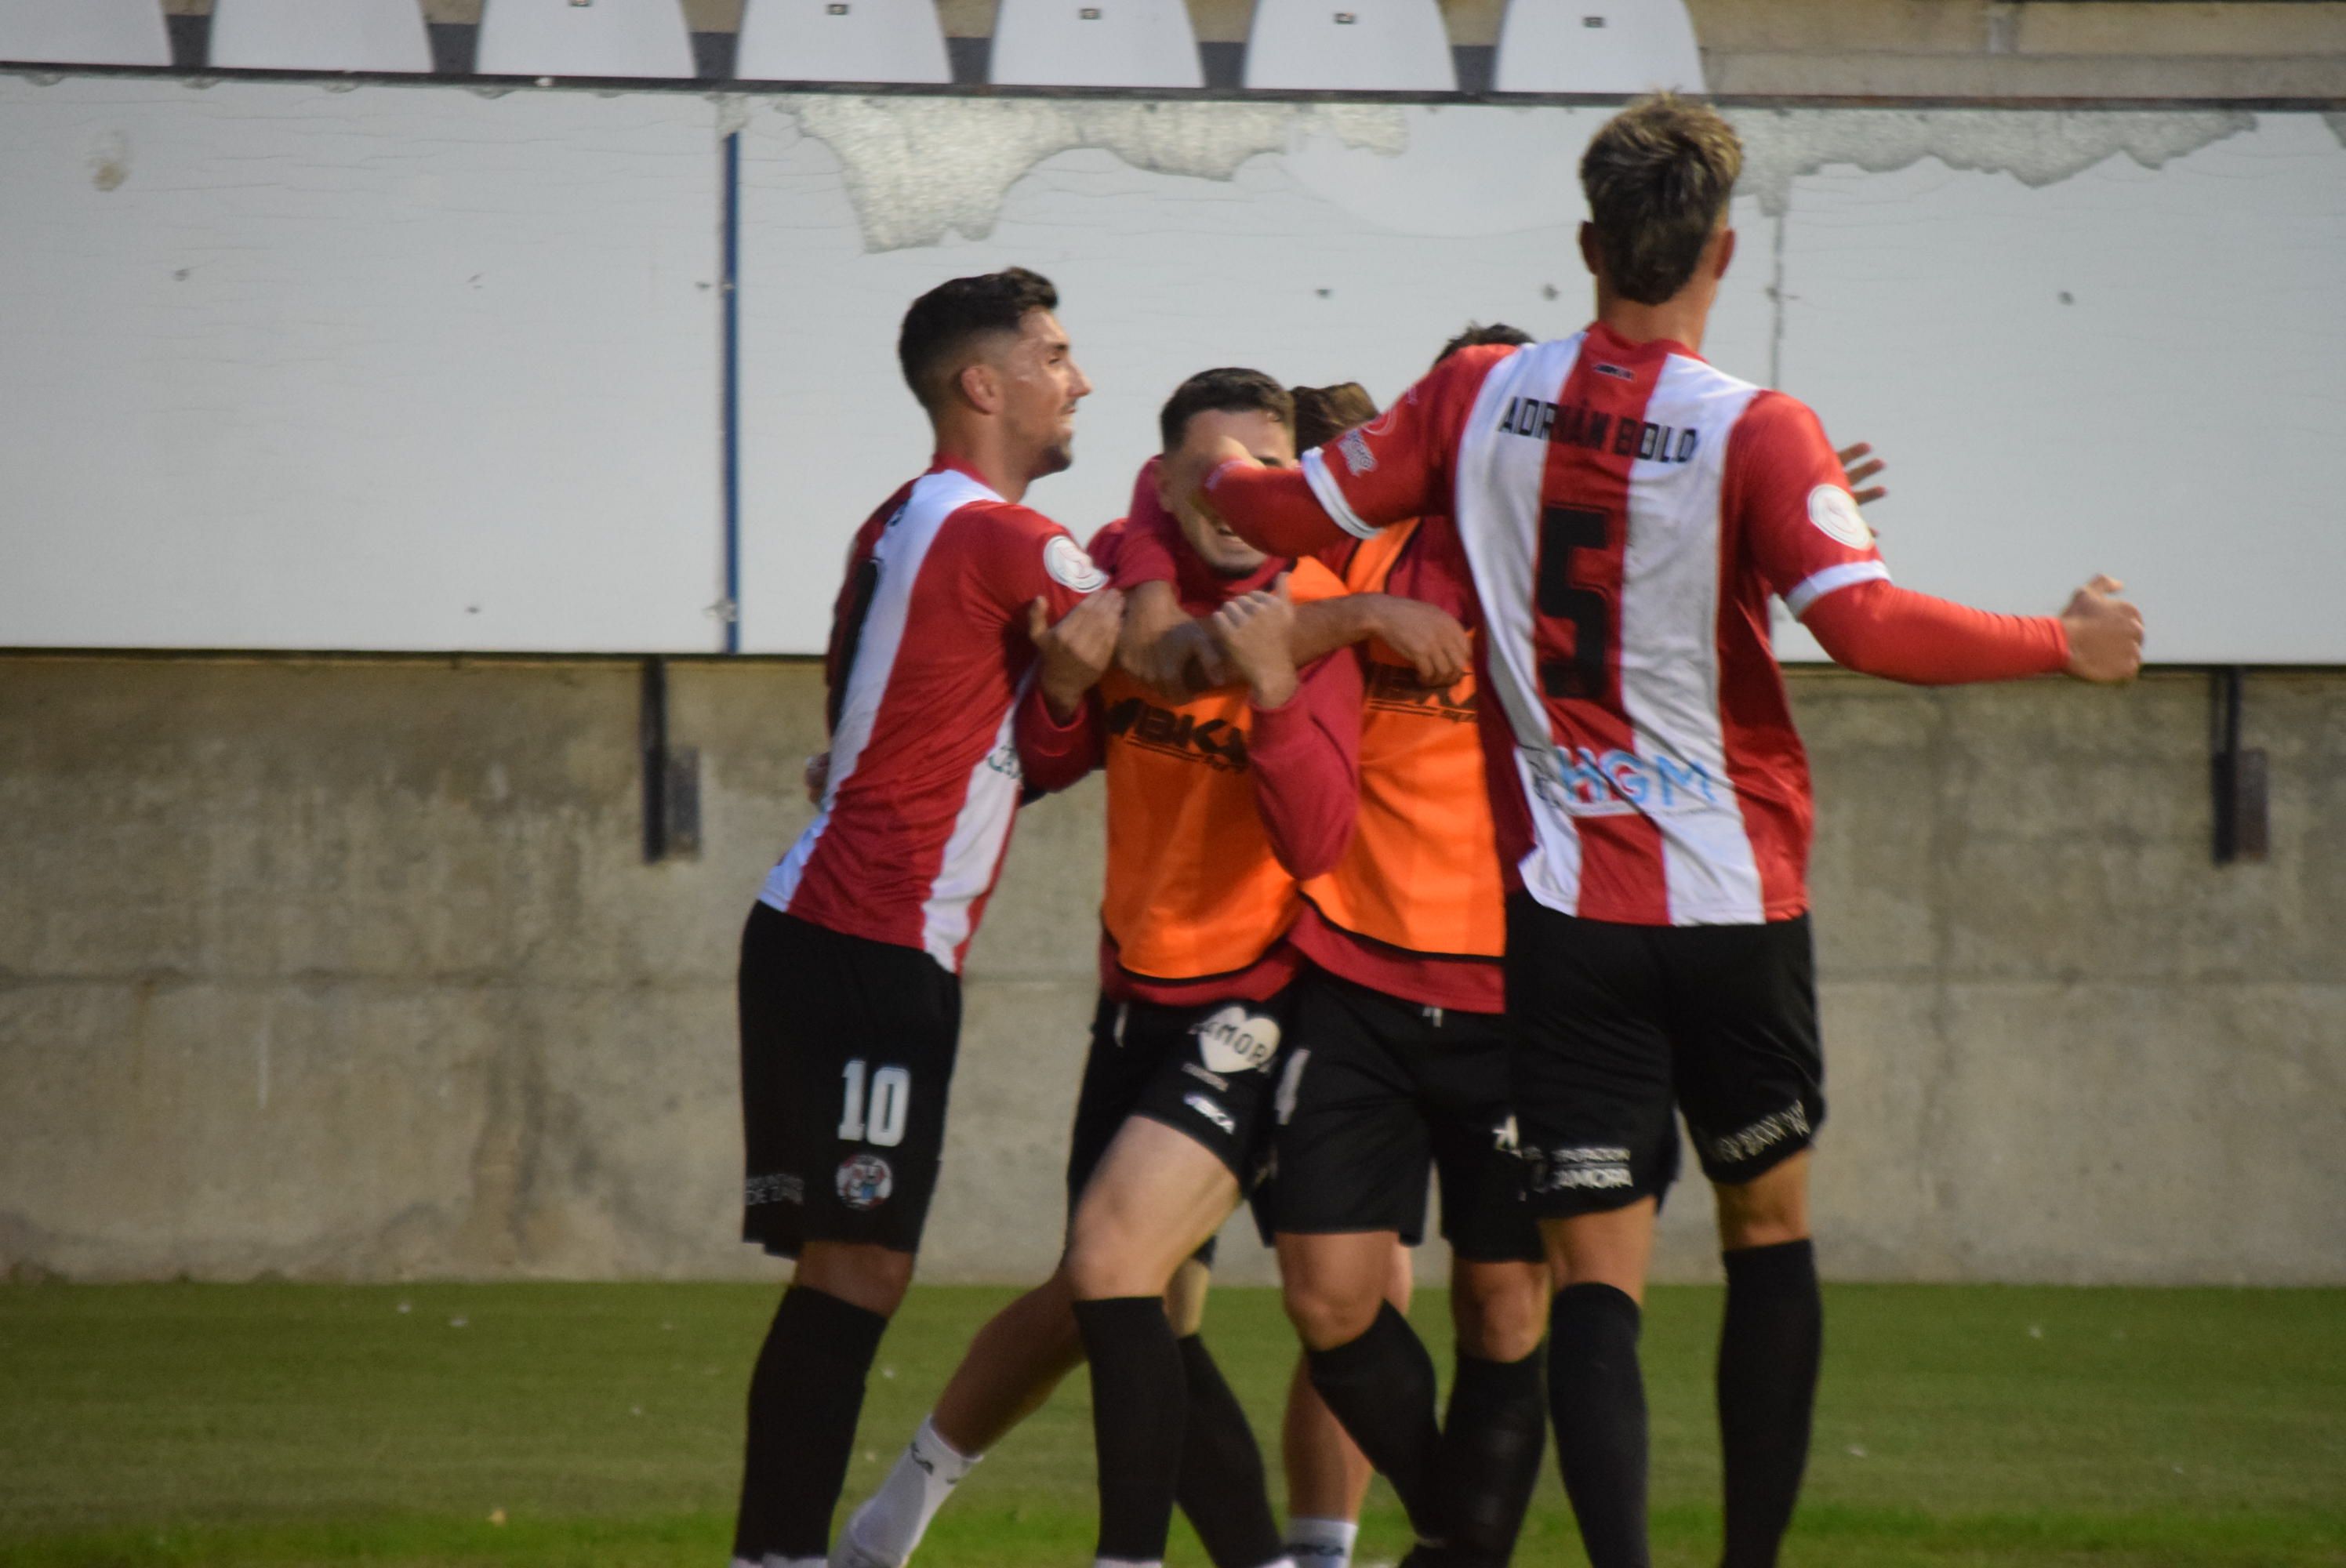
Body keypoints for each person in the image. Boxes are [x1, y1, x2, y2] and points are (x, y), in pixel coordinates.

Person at [1174, 95, 2145, 1568]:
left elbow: (1277, 506)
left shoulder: (1475, 397)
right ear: (1723, 251)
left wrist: (1203, 482)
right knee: (1767, 1234)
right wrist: (2058, 644)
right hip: (1733, 906)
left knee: (1596, 1281)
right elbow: (1866, 623)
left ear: (1586, 243)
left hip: (1570, 914)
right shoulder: (1756, 428)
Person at [831, 368, 1377, 1568]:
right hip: (1137, 992)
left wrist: (1282, 682)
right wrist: (1070, 691)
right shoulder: (1119, 572)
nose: (1236, 499)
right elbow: (1050, 756)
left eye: (1262, 478)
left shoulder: (1323, 598)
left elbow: (1320, 836)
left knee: (1254, 1288)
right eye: (1209, 475)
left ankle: (1183, 1551)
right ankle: (893, 1525)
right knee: (1122, 1306)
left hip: (1269, 998)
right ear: (1168, 480)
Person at [1122, 350, 1549, 1568]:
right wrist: (1324, 618)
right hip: (1354, 983)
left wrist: (1759, 513)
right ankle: (1453, 1538)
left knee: (1505, 1305)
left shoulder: (1561, 573)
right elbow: (1187, 527)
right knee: (1322, 1298)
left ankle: (1432, 1550)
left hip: (1523, 994)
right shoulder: (1346, 568)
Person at [729, 267, 1127, 1568]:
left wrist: (1064, 696)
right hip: (872, 939)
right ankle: (781, 1555)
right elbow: (1147, 645)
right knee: (858, 1272)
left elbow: (1039, 748)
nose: (1080, 382)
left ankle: (777, 1552)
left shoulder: (899, 520)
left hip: (814, 925)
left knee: (844, 1274)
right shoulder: (1011, 540)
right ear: (983, 384)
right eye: (1056, 356)